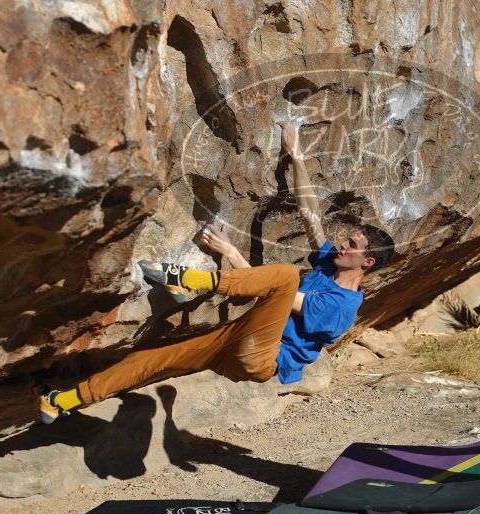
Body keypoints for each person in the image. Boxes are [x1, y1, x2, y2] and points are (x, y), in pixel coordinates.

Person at [39, 121, 394, 423]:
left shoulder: (343, 307)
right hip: (236, 340)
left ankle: (184, 280)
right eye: (347, 240)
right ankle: (62, 401)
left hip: (261, 357)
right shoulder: (326, 266)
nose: (343, 245)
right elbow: (310, 214)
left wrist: (230, 256)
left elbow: (280, 293)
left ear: (367, 263)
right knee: (147, 360)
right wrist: (296, 156)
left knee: (285, 275)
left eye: (352, 245)